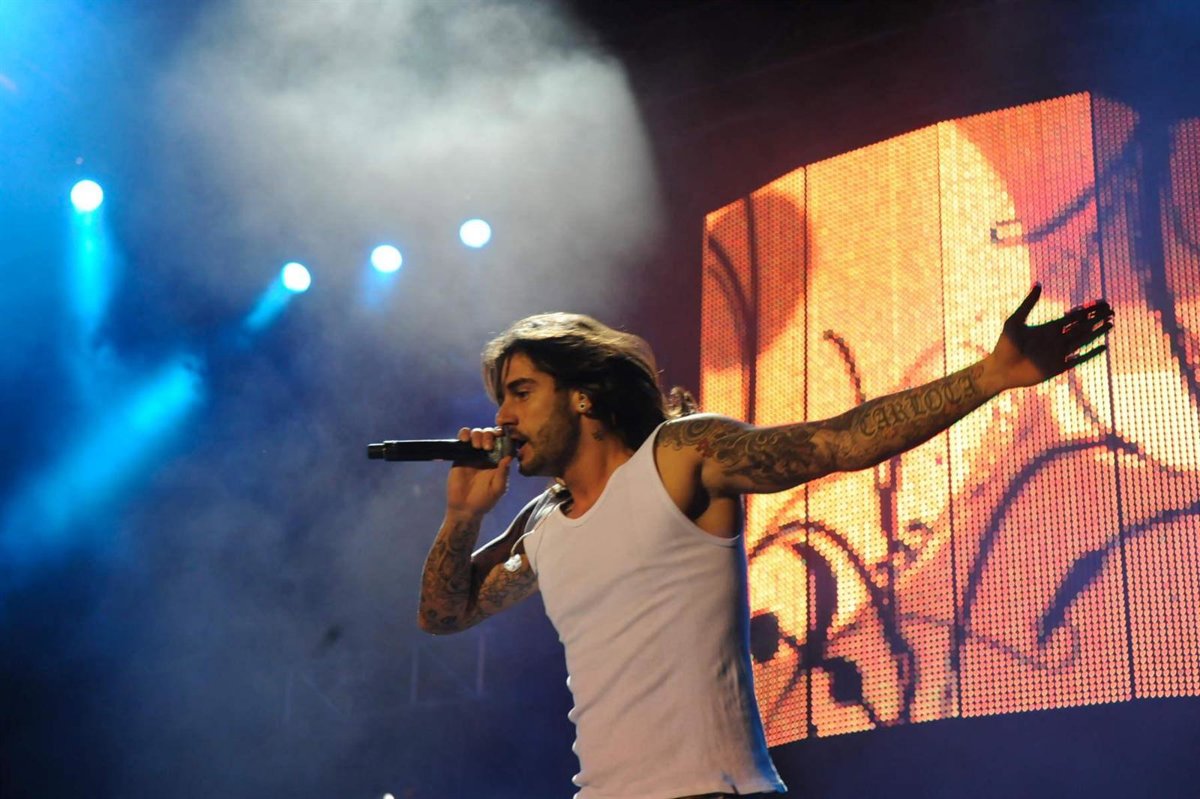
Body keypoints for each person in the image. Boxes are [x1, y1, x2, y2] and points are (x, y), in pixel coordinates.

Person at [416, 285, 1114, 799]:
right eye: (501, 398)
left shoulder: (679, 456)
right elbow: (444, 614)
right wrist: (461, 515)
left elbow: (837, 442)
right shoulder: (541, 522)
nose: (502, 416)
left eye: (521, 392)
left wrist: (989, 376)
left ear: (582, 395)